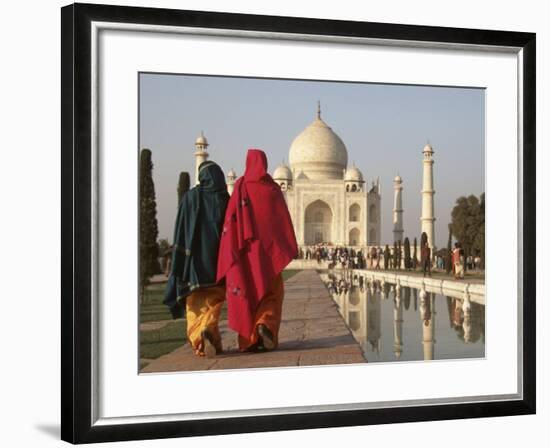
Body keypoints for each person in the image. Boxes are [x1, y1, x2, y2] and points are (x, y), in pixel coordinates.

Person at [217, 149, 298, 352]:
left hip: (245, 253)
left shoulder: (240, 186)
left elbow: (231, 219)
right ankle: (265, 325)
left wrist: (231, 248)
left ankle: (249, 340)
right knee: (271, 293)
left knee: (246, 292)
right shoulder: (272, 189)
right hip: (269, 255)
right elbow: (282, 223)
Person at [164, 161, 229, 358]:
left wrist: (179, 257)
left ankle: (201, 339)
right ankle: (209, 333)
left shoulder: (190, 197)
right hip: (217, 264)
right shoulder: (225, 198)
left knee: (194, 305)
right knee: (214, 301)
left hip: (193, 264)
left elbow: (181, 229)